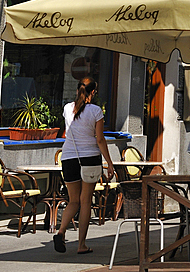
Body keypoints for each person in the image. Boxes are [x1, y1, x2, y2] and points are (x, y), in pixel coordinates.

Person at [53, 76, 116, 255]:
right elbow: (100, 139)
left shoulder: (67, 108)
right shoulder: (96, 111)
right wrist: (109, 163)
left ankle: (61, 232)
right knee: (85, 201)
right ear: (93, 92)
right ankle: (81, 245)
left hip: (68, 158)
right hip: (89, 158)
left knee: (73, 200)